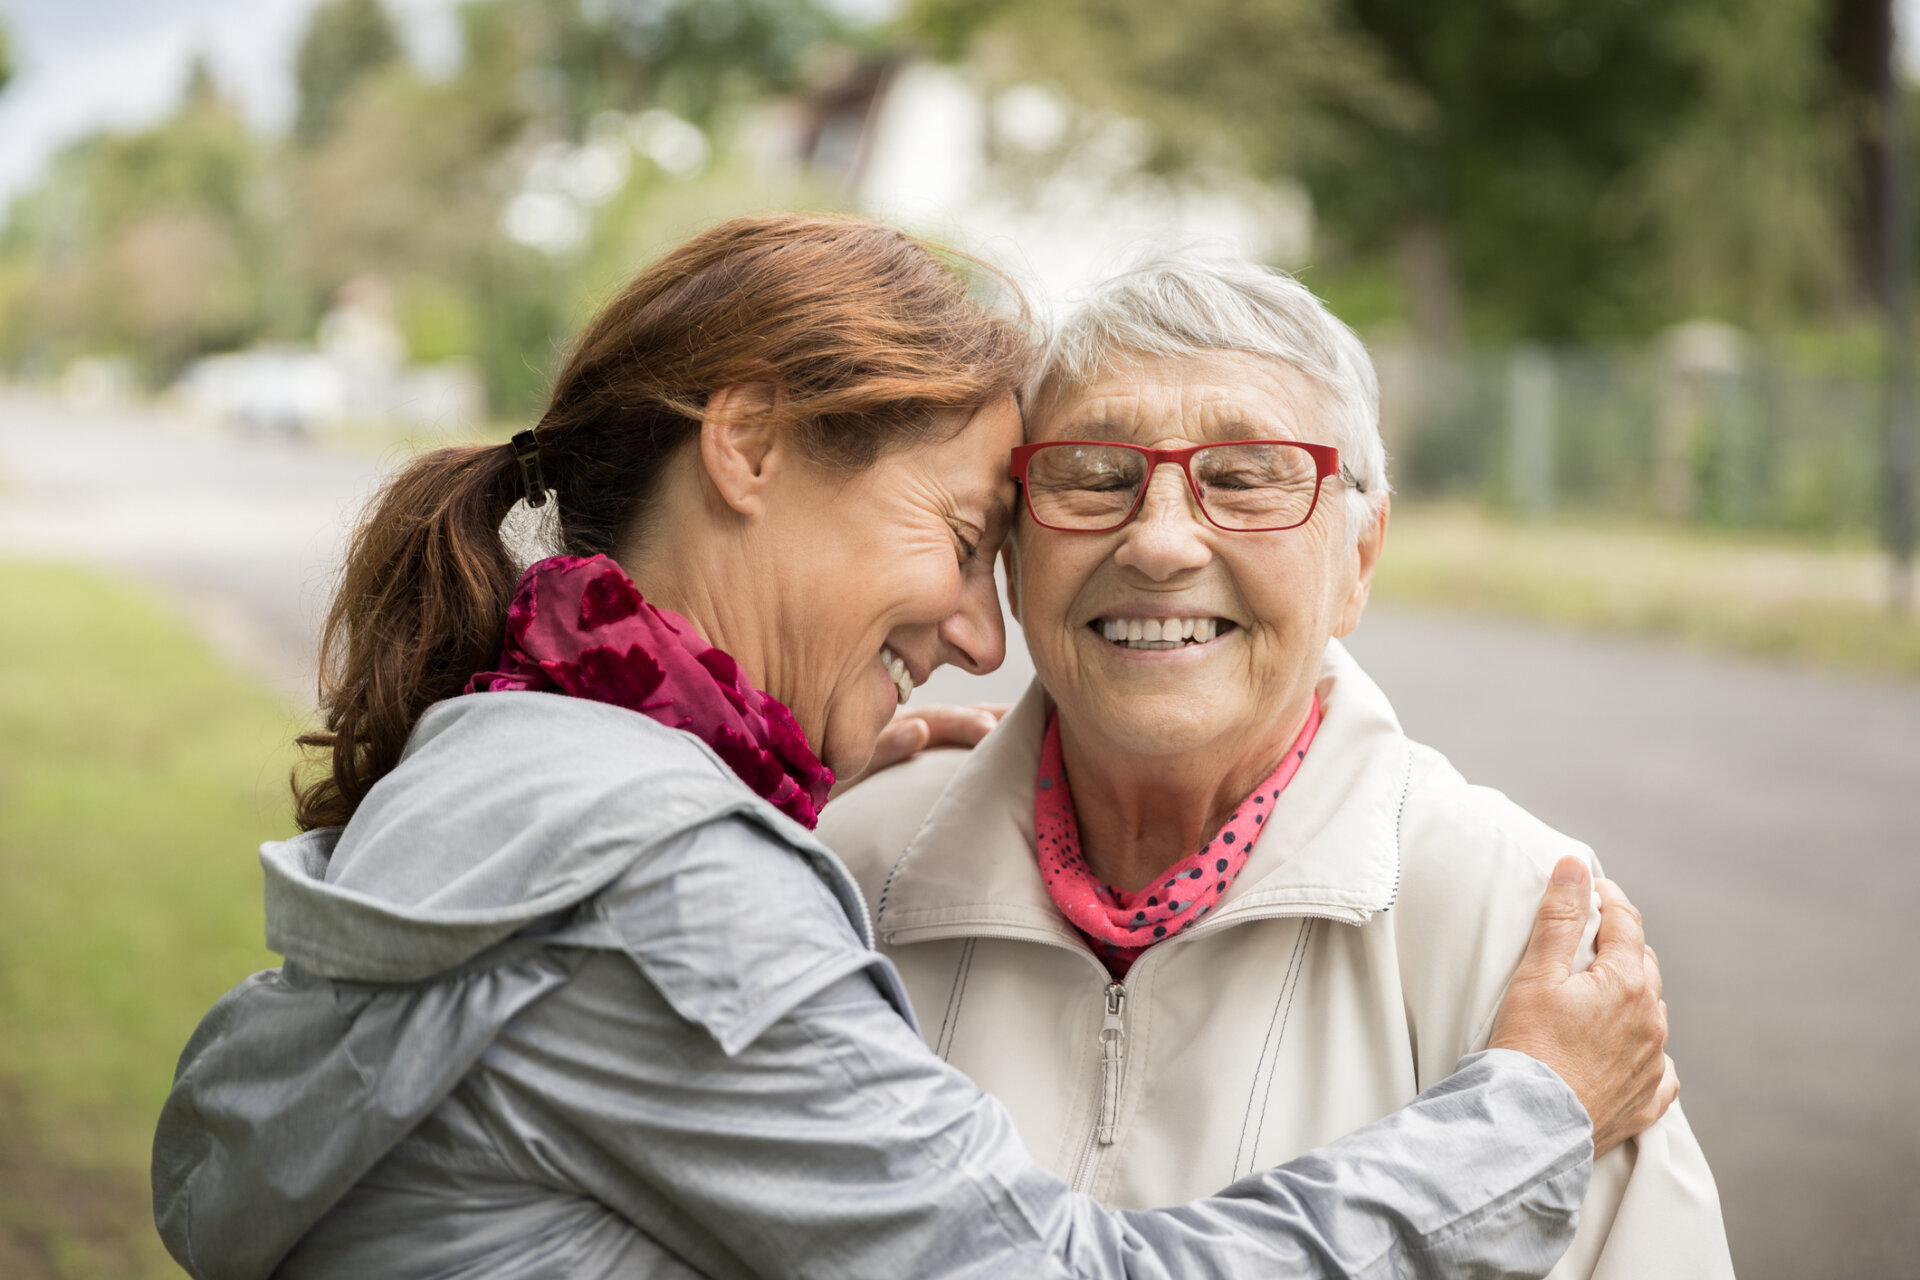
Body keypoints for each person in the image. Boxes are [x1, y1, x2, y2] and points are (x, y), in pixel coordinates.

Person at [152, 214, 1674, 1280]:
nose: (977, 629)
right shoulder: (685, 886)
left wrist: (750, 819)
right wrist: (1528, 1116)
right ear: (746, 446)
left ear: (1362, 548)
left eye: (1249, 481)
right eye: (973, 531)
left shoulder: (519, 764)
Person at [819, 248, 1732, 1279]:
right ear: (1016, 555)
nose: (1160, 543)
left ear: (1361, 561)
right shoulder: (846, 867)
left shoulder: (1518, 917)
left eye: (1247, 479)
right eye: (1094, 475)